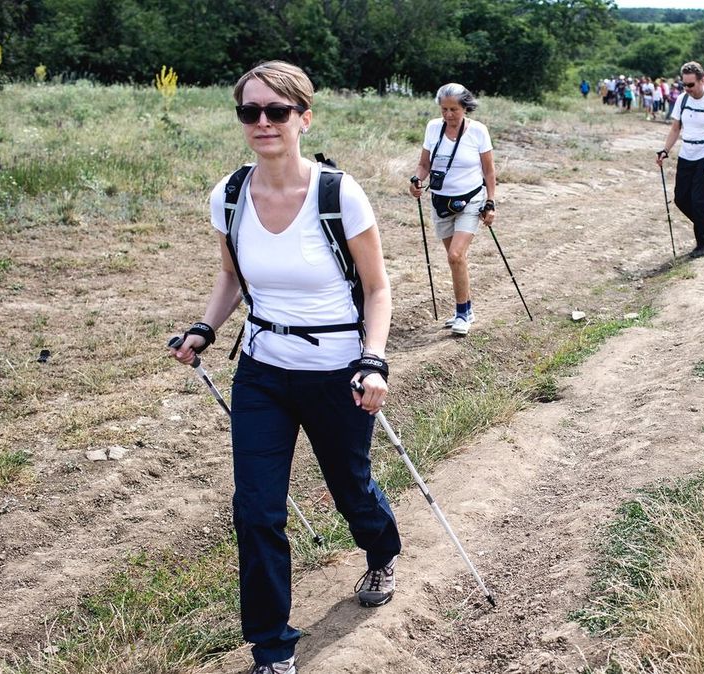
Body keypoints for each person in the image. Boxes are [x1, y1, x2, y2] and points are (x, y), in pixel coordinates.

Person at [169, 60, 399, 674]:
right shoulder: (230, 194)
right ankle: (272, 648)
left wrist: (372, 362)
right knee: (257, 510)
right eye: (251, 112)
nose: (263, 122)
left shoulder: (337, 193)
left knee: (350, 490)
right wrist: (205, 327)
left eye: (277, 111)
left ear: (304, 117)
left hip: (338, 374)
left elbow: (377, 290)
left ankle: (382, 550)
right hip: (263, 372)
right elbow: (229, 276)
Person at [408, 83, 497, 336]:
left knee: (455, 256)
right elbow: (423, 165)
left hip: (470, 200)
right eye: (444, 109)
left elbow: (489, 171)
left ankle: (461, 314)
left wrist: (490, 202)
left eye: (454, 110)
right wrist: (417, 181)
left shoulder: (478, 131)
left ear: (465, 107)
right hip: (440, 201)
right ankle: (467, 309)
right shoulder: (433, 128)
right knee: (455, 260)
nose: (448, 115)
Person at [655, 61, 704, 259]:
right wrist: (665, 150)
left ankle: (702, 244)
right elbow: (675, 128)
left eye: (690, 85)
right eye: (684, 85)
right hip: (687, 154)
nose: (687, 89)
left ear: (701, 81)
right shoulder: (682, 99)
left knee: (700, 201)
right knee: (680, 198)